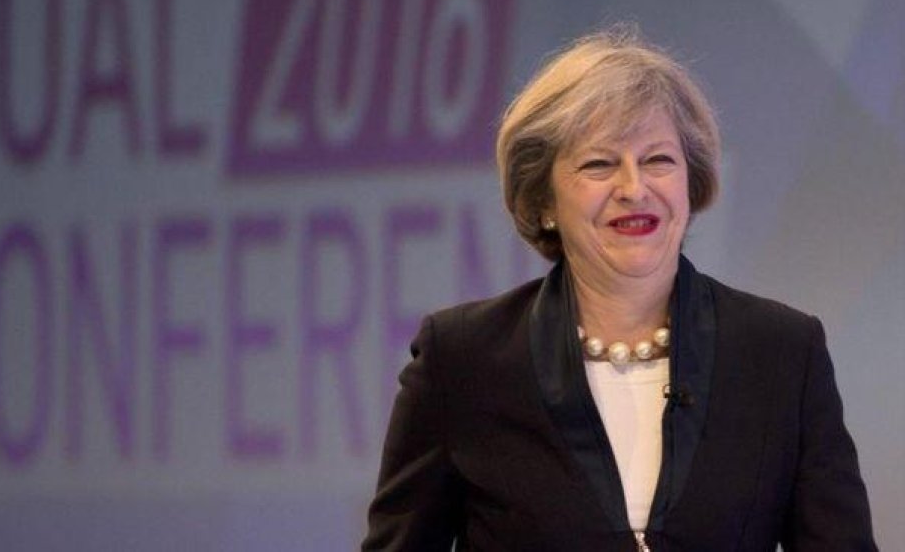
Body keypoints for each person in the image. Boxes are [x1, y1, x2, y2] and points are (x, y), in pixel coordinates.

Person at [362, 29, 877, 551]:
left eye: (658, 160)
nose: (634, 189)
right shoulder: (461, 361)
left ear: (690, 183)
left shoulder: (782, 352)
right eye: (599, 164)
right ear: (543, 200)